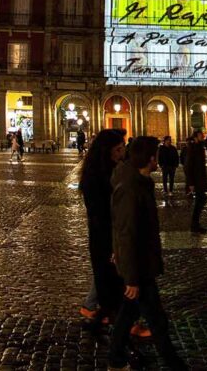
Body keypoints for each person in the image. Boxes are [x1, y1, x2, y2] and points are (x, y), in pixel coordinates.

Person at [108, 135, 189, 371]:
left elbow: (122, 226)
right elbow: (126, 230)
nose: (159, 159)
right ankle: (174, 365)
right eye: (156, 155)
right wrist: (131, 277)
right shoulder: (132, 187)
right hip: (139, 265)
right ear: (150, 158)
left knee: (128, 313)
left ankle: (114, 359)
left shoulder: (136, 181)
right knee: (156, 319)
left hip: (139, 261)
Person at [79, 129, 127, 331]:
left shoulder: (111, 169)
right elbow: (100, 212)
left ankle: (100, 317)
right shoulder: (96, 176)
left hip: (109, 234)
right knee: (110, 279)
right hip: (105, 235)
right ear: (106, 150)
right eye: (118, 149)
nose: (122, 153)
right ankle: (116, 324)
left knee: (109, 280)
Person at [183, 130, 207, 234]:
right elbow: (188, 166)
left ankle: (195, 224)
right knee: (201, 200)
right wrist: (191, 183)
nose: (203, 136)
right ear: (195, 137)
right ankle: (194, 225)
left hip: (200, 179)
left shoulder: (199, 147)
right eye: (200, 135)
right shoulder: (192, 148)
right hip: (196, 181)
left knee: (201, 201)